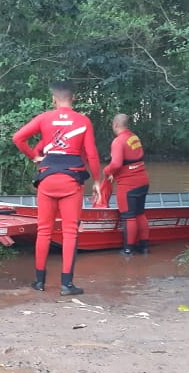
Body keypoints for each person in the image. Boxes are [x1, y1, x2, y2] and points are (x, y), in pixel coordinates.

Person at [12, 81, 102, 296]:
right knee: (70, 232)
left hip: (47, 180)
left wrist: (34, 156)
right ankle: (66, 285)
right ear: (74, 98)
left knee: (44, 231)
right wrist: (97, 181)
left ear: (54, 99)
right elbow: (91, 154)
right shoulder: (83, 121)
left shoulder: (44, 118)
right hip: (71, 181)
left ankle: (39, 282)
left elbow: (18, 138)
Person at [103, 113, 150, 255]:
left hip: (128, 185)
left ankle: (128, 250)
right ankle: (144, 247)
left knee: (129, 216)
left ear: (115, 125)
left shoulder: (118, 141)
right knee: (140, 214)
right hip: (143, 181)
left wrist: (106, 171)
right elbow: (130, 160)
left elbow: (116, 163)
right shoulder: (134, 137)